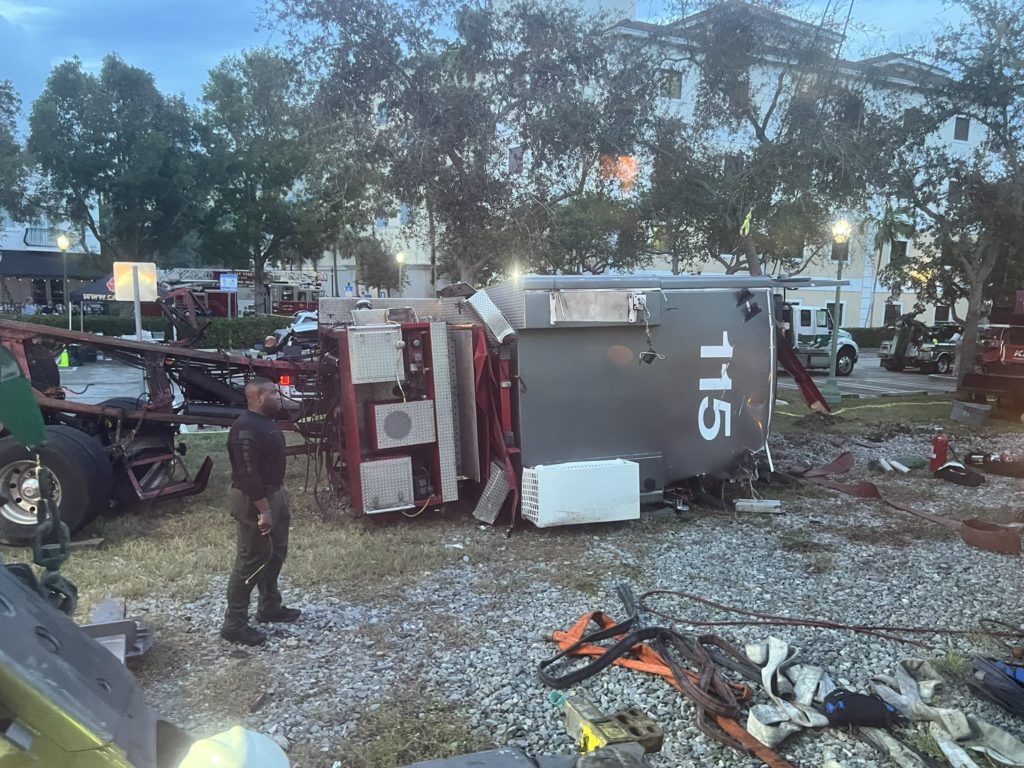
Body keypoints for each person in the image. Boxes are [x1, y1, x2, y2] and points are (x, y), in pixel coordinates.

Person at [221, 379, 300, 646]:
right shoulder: (244, 428)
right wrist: (264, 509)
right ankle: (234, 624)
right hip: (253, 499)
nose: (278, 397)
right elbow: (246, 473)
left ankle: (269, 607)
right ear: (256, 396)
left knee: (276, 552)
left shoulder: (266, 421)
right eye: (273, 393)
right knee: (251, 558)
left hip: (274, 494)